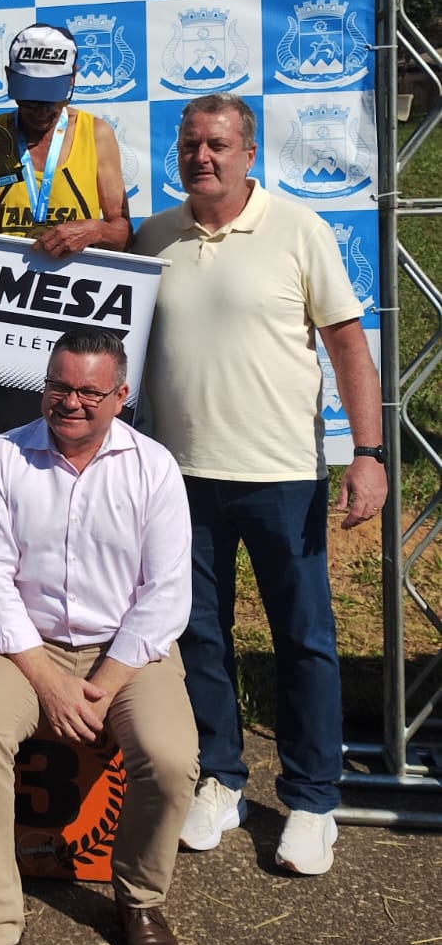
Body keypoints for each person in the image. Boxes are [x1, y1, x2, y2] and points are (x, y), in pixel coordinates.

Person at [134, 94, 387, 877]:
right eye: (190, 145)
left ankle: (312, 800)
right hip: (181, 478)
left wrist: (369, 453)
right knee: (198, 635)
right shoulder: (154, 237)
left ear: (248, 153)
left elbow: (348, 346)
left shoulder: (298, 229)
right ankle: (222, 780)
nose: (201, 157)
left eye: (217, 144)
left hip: (281, 476)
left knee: (304, 640)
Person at [0, 328, 197, 945]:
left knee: (172, 757)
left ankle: (140, 901)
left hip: (128, 650)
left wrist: (105, 684)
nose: (72, 402)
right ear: (45, 385)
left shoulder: (154, 467)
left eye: (90, 391)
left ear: (121, 396)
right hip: (26, 647)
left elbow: (165, 593)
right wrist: (49, 682)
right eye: (60, 386)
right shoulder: (4, 456)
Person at [0, 22, 130, 255]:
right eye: (29, 101)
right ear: (9, 77)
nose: (41, 112)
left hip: (72, 278)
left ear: (72, 78)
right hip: (0, 276)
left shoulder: (96, 134)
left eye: (52, 100)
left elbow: (123, 238)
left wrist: (97, 231)